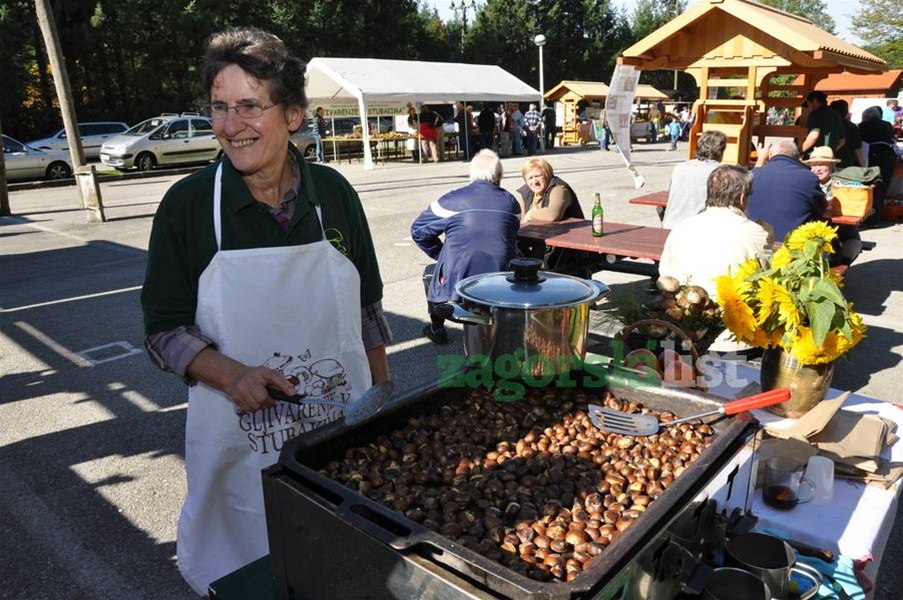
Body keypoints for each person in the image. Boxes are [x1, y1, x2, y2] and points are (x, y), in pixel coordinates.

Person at [140, 28, 391, 594]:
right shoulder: (187, 207)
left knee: (344, 568)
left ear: (294, 115)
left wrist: (379, 391)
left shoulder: (336, 194)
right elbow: (163, 333)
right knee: (252, 578)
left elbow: (367, 307)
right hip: (237, 451)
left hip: (338, 435)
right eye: (220, 108)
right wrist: (233, 375)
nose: (231, 126)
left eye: (250, 106)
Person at [410, 150, 521, 344]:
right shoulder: (511, 203)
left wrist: (442, 255)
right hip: (501, 286)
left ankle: (437, 329)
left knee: (430, 273)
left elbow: (418, 231)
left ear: (472, 174)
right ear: (499, 176)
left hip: (457, 291)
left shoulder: (450, 200)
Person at [660, 165, 772, 297]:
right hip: (731, 311)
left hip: (680, 307)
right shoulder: (756, 232)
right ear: (742, 198)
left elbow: (665, 271)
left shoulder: (682, 227)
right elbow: (767, 276)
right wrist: (769, 238)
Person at [515, 157, 593, 276]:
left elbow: (552, 214)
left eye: (538, 176)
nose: (534, 181)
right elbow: (520, 220)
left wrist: (530, 214)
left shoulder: (559, 188)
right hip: (540, 243)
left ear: (547, 174)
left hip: (564, 248)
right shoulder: (526, 192)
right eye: (530, 178)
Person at [746, 139, 826, 242]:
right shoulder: (808, 177)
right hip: (792, 248)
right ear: (797, 157)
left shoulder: (753, 175)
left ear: (770, 155)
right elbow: (820, 210)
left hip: (756, 245)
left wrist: (761, 159)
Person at [803, 146, 862, 267]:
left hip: (841, 228)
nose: (817, 169)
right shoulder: (805, 183)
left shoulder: (843, 183)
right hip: (813, 229)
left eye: (822, 164)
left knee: (853, 245)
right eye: (814, 165)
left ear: (831, 165)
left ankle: (839, 271)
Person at [662, 130, 727, 228]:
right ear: (721, 151)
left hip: (670, 225)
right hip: (697, 230)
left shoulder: (680, 167)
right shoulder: (720, 172)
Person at [859, 105, 898, 226]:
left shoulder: (864, 125)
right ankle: (877, 216)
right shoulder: (887, 124)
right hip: (889, 155)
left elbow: (859, 141)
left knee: (874, 186)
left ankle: (871, 218)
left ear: (866, 117)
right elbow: (893, 138)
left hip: (875, 155)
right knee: (884, 186)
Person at [801, 90, 845, 157]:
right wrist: (831, 151)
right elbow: (842, 141)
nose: (808, 108)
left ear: (815, 101)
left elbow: (814, 135)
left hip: (814, 156)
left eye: (808, 104)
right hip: (830, 158)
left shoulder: (815, 114)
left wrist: (800, 150)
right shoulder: (836, 115)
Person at [829, 99, 862, 169]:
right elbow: (857, 148)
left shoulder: (828, 125)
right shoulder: (852, 127)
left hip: (829, 161)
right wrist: (863, 165)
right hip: (847, 163)